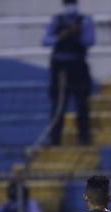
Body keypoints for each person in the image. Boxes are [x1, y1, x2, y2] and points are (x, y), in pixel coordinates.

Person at [43, 0, 94, 146]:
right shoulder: (57, 20)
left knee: (82, 105)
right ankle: (55, 139)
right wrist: (62, 36)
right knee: (58, 106)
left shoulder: (84, 20)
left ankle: (83, 138)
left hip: (78, 67)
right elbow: (45, 40)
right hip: (59, 70)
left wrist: (78, 32)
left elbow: (90, 41)